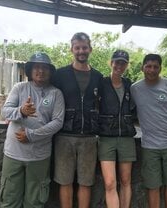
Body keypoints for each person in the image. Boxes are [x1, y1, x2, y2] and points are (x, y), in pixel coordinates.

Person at [0, 52, 65, 208]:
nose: (40, 71)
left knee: (35, 202)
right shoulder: (19, 88)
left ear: (50, 72)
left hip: (39, 156)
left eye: (44, 67)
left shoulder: (56, 93)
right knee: (9, 200)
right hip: (14, 154)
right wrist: (21, 111)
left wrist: (31, 135)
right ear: (30, 70)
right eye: (36, 67)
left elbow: (57, 122)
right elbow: (5, 111)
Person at [130, 54, 167, 208]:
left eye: (155, 66)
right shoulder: (135, 89)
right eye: (148, 66)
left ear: (160, 68)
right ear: (142, 67)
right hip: (150, 145)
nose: (151, 70)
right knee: (152, 185)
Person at [52, 32, 103, 208]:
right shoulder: (60, 74)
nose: (81, 51)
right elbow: (46, 98)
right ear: (71, 49)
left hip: (89, 137)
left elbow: (102, 105)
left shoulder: (98, 76)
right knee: (65, 181)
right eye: (77, 47)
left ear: (90, 49)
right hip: (64, 136)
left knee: (86, 182)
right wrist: (19, 115)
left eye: (84, 47)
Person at [98, 50, 137, 208]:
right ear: (111, 62)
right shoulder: (101, 83)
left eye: (123, 63)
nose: (119, 65)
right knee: (109, 183)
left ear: (127, 65)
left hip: (126, 137)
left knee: (126, 181)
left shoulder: (130, 85)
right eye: (117, 62)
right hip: (106, 137)